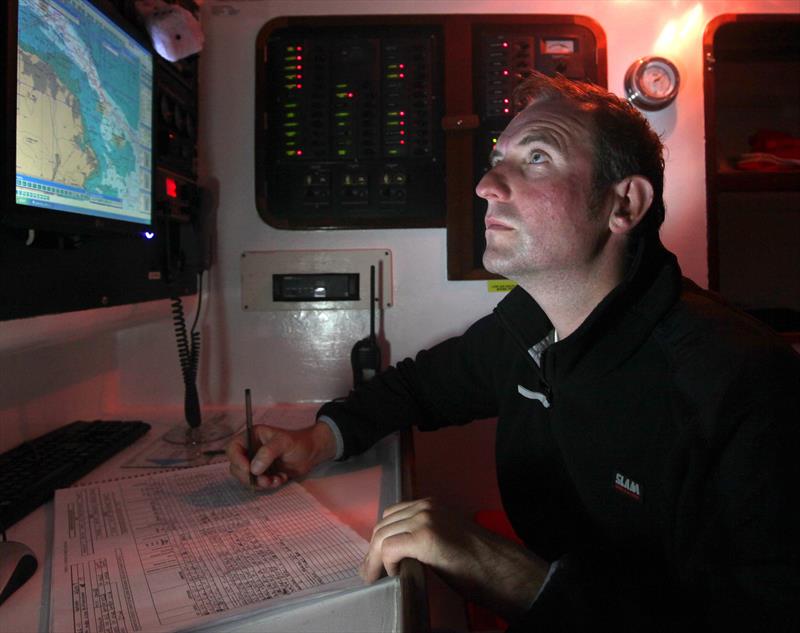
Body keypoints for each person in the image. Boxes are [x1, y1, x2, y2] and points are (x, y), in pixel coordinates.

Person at [227, 72, 800, 630]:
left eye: (536, 158)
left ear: (623, 204)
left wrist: (513, 577)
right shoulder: (529, 326)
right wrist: (317, 438)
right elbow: (418, 386)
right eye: (495, 161)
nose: (487, 186)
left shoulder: (743, 386)